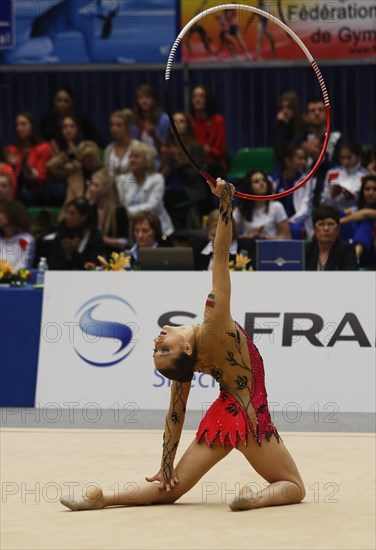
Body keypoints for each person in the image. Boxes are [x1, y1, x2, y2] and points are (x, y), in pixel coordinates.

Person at [60, 177, 305, 512]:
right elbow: (221, 257)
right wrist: (225, 204)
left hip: (224, 414)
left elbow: (175, 416)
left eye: (157, 349)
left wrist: (165, 466)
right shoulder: (215, 324)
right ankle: (255, 498)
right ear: (187, 352)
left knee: (170, 489)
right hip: (250, 416)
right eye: (164, 350)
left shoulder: (190, 364)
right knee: (294, 486)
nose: (157, 341)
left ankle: (104, 498)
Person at [117, 142, 174, 238]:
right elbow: (120, 203)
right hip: (133, 229)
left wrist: (129, 211)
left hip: (159, 230)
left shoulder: (157, 179)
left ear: (147, 161)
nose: (132, 160)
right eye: (130, 156)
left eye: (136, 157)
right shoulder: (123, 180)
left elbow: (153, 205)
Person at [161, 112, 205, 226]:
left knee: (166, 196)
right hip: (169, 187)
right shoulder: (167, 148)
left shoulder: (196, 147)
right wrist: (167, 163)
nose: (178, 125)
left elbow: (194, 176)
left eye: (182, 121)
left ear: (187, 126)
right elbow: (162, 176)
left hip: (189, 189)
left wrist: (179, 161)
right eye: (174, 121)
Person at [6, 112, 52, 206]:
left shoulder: (44, 147)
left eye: (23, 124)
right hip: (14, 189)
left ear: (32, 126)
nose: (19, 128)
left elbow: (40, 177)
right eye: (17, 125)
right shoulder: (11, 149)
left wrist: (18, 163)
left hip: (35, 191)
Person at [45, 197, 104, 270]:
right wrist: (67, 253)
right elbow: (53, 265)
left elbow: (93, 267)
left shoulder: (94, 237)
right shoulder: (61, 234)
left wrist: (74, 253)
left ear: (84, 217)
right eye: (66, 212)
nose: (67, 217)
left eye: (72, 213)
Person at [192, 208, 256, 271]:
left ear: (231, 232)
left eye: (222, 236)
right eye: (214, 235)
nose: (218, 240)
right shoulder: (199, 246)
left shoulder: (246, 247)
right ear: (208, 232)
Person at [233, 171, 291, 240]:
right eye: (256, 181)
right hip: (248, 247)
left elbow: (286, 237)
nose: (261, 183)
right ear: (249, 187)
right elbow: (233, 235)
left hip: (272, 247)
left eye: (263, 180)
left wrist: (263, 238)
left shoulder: (277, 207)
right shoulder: (241, 208)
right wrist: (249, 237)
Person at [272, 145, 313, 239]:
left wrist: (290, 221)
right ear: (288, 161)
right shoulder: (274, 180)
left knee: (295, 229)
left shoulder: (306, 180)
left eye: (305, 159)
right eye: (300, 158)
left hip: (296, 220)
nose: (304, 162)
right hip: (276, 220)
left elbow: (306, 209)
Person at [87, 168, 130, 254]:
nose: (91, 188)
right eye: (91, 184)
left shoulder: (119, 211)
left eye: (96, 185)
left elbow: (124, 242)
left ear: (107, 189)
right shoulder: (90, 208)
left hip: (112, 257)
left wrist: (100, 239)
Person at [189, 85, 228, 176]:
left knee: (199, 170)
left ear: (208, 100)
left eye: (201, 96)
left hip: (213, 162)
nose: (197, 100)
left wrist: (209, 150)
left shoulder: (218, 120)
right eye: (194, 96)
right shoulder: (189, 120)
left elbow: (220, 151)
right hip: (193, 161)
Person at [45, 114, 84, 206]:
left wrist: (74, 153)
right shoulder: (55, 148)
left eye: (72, 126)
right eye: (65, 127)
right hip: (60, 185)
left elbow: (82, 167)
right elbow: (50, 167)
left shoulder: (84, 146)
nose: (68, 130)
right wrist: (62, 158)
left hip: (79, 183)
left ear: (77, 129)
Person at [305, 205, 358, 271]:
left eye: (331, 224)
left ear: (338, 229)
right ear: (314, 229)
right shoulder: (307, 250)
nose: (326, 228)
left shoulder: (347, 251)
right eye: (321, 224)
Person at [340, 175, 376, 268]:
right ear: (362, 192)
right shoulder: (356, 208)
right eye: (367, 189)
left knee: (366, 223)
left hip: (370, 252)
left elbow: (366, 214)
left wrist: (339, 221)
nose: (371, 193)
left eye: (374, 189)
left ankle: (352, 261)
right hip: (351, 243)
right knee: (339, 213)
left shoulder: (366, 212)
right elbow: (345, 212)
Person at [320, 141, 369, 211]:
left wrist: (353, 198)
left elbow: (368, 203)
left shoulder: (365, 175)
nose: (345, 162)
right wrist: (332, 195)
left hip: (356, 215)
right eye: (342, 158)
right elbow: (323, 202)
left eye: (349, 158)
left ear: (357, 157)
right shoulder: (332, 173)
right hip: (334, 213)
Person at [131, 84, 169, 165]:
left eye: (148, 98)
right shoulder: (134, 121)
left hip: (159, 162)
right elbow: (132, 147)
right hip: (138, 164)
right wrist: (139, 134)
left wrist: (154, 136)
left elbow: (167, 148)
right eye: (141, 98)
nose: (144, 101)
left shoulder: (164, 119)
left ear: (154, 100)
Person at [104, 109, 140, 178]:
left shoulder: (137, 147)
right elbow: (106, 174)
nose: (114, 129)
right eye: (112, 125)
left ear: (128, 127)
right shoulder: (109, 149)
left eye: (119, 125)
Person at [273, 91, 305, 167]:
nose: (284, 111)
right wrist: (282, 126)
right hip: (284, 164)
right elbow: (279, 150)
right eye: (282, 108)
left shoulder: (304, 123)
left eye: (288, 107)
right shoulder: (280, 124)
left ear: (295, 108)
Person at [0, 199, 35, 269]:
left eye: (1, 212)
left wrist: (7, 273)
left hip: (15, 277)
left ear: (12, 215)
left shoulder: (26, 239)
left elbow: (24, 265)